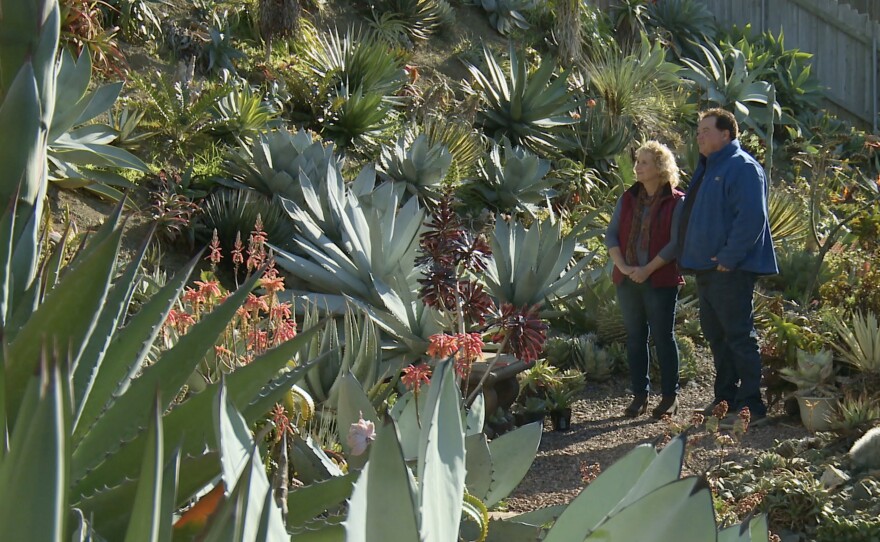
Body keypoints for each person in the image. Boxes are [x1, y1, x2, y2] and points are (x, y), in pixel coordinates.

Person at [679, 108, 778, 424]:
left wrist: (728, 258)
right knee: (716, 335)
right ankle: (725, 400)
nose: (699, 136)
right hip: (707, 270)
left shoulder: (742, 167)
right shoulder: (709, 167)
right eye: (698, 131)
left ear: (726, 134)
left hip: (730, 270)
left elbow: (751, 218)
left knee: (738, 335)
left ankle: (752, 405)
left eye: (706, 130)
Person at [606, 141, 685, 419]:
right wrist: (624, 267)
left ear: (661, 168)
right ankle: (640, 395)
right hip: (627, 279)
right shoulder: (628, 198)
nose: (637, 166)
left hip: (660, 279)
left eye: (644, 162)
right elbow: (611, 235)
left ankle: (670, 397)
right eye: (637, 161)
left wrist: (646, 269)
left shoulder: (677, 201)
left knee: (663, 337)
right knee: (635, 338)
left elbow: (675, 243)